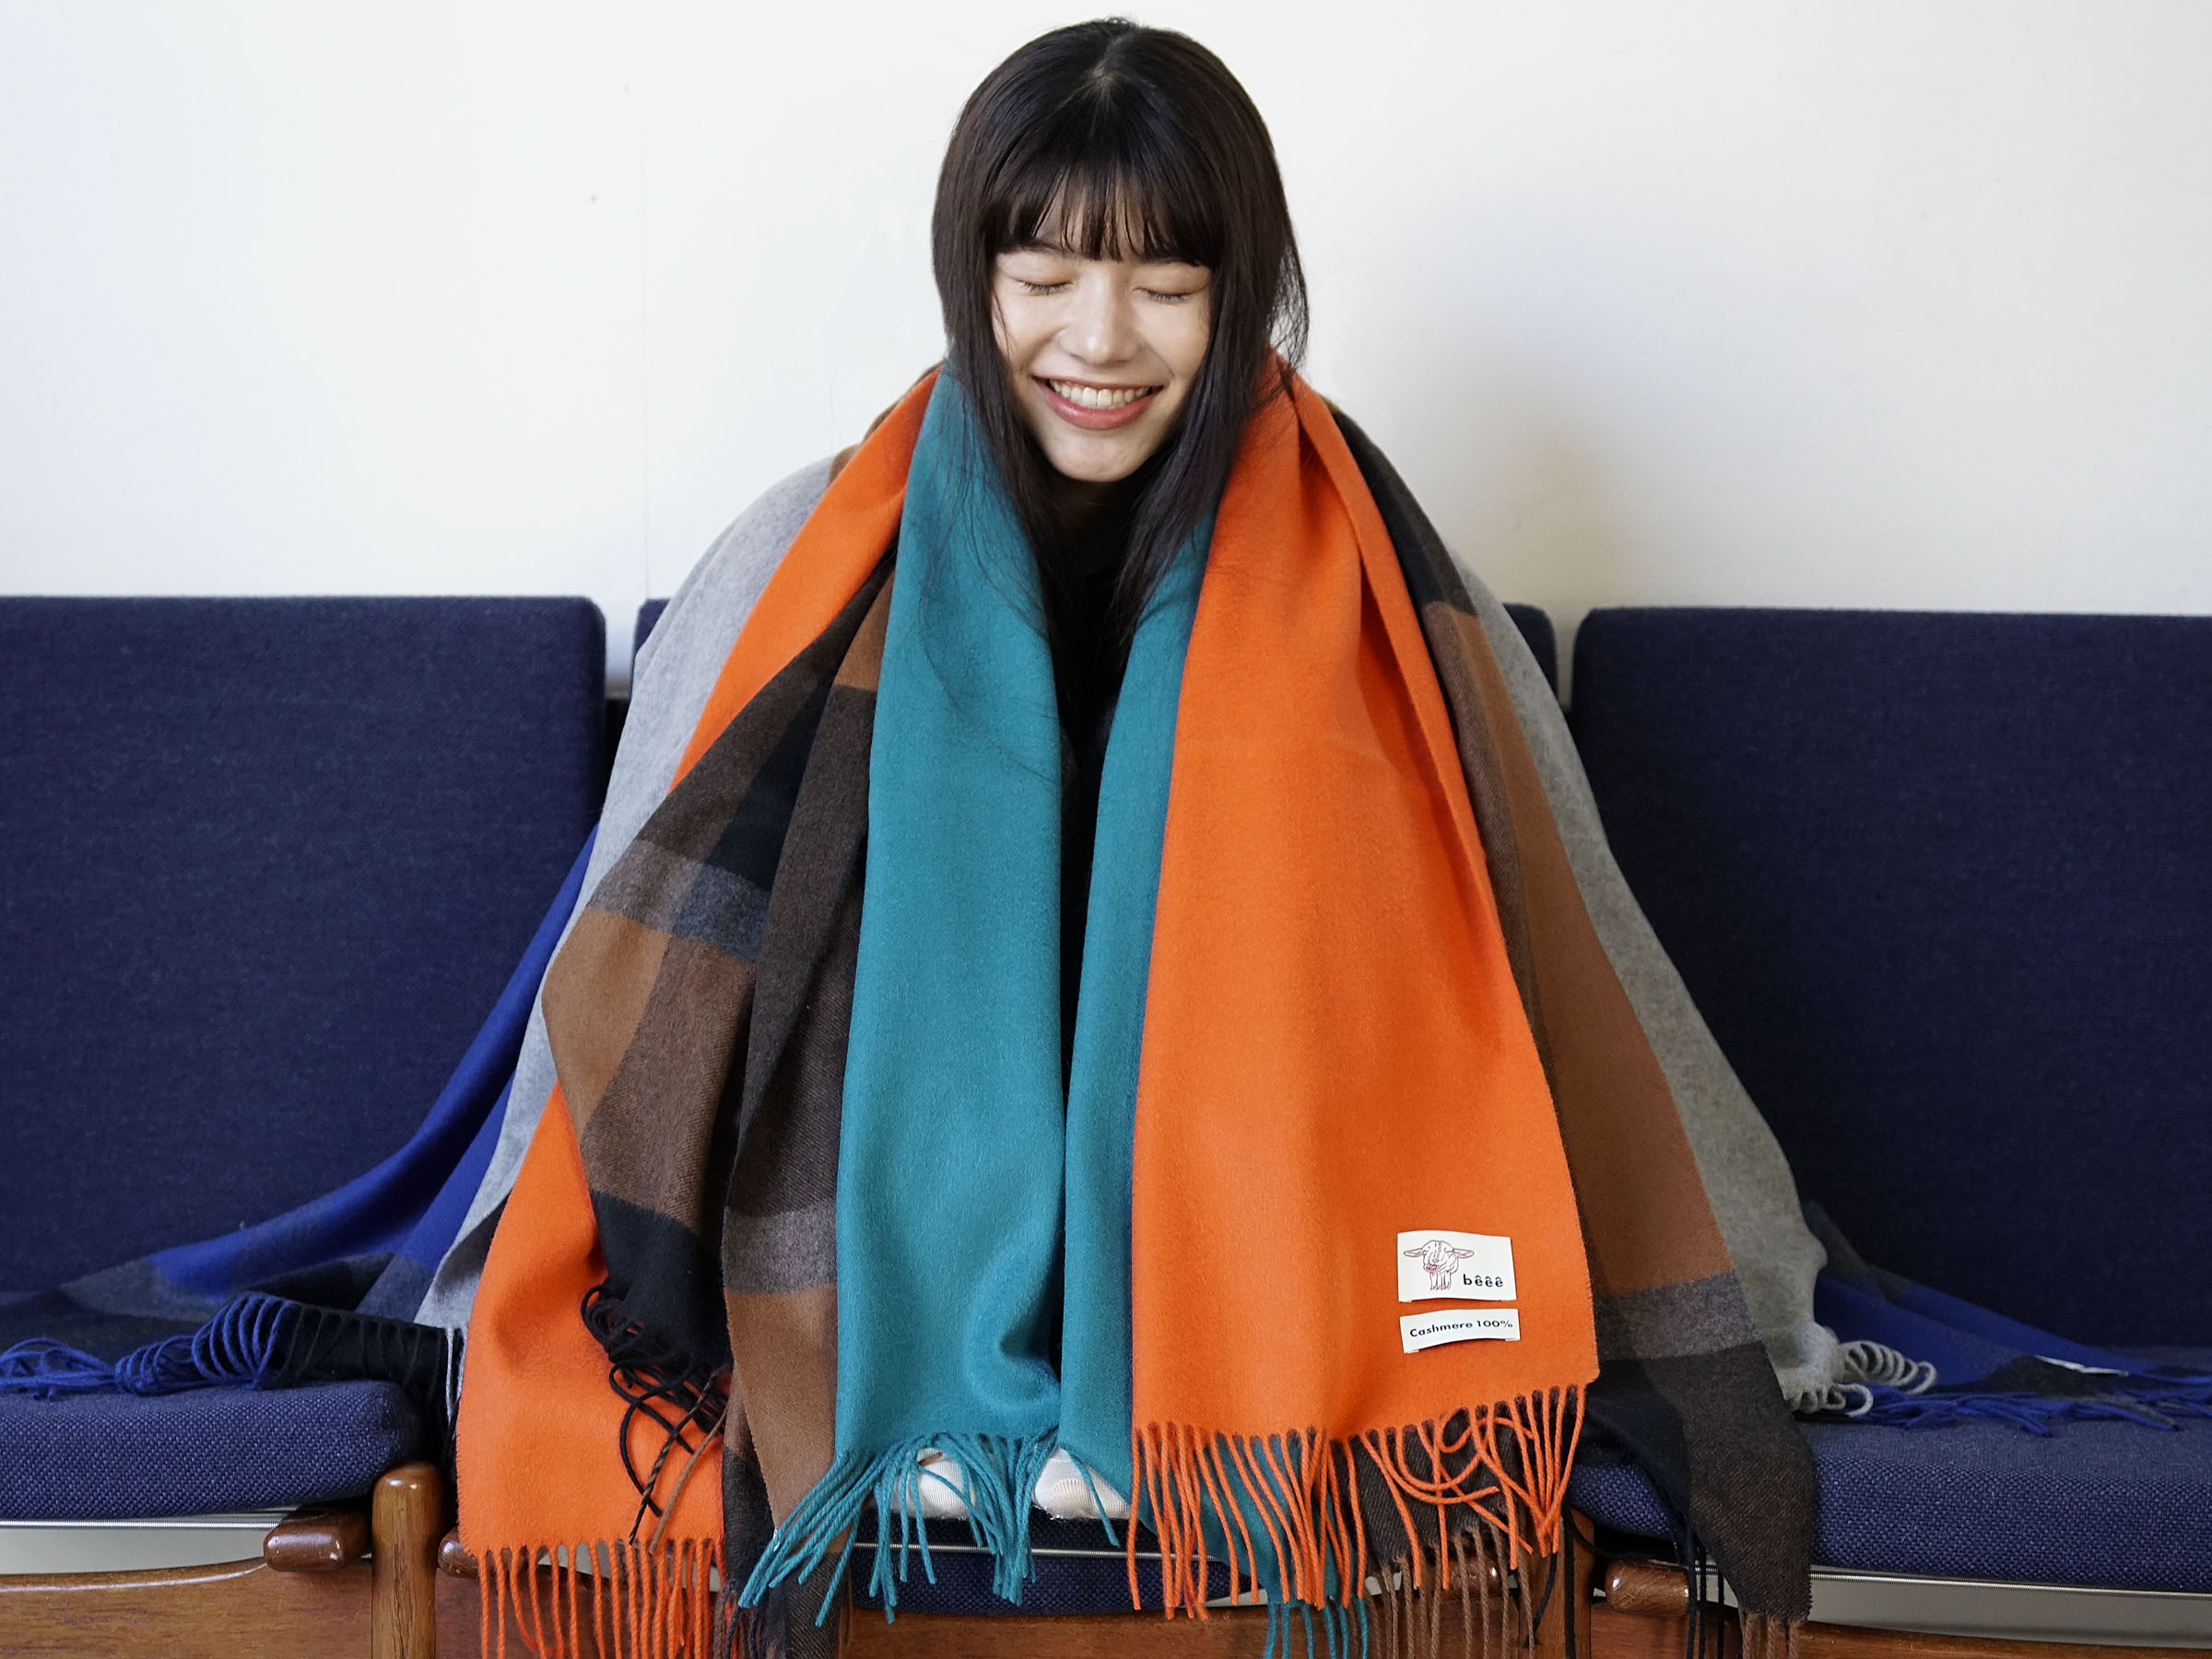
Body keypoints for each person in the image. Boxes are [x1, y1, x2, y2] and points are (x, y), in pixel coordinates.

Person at [447, 20, 1832, 1657]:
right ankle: (934, 1367)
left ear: (1245, 291)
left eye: (1166, 284)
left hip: (1267, 1217)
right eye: (1042, 274)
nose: (1098, 339)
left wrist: (1727, 1276)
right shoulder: (806, 551)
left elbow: (1553, 949)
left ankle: (1187, 1374)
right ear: (970, 275)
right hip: (867, 1222)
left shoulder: (1377, 575)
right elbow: (642, 971)